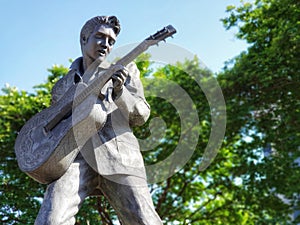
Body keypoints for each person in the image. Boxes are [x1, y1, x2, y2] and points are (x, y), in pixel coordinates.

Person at [35, 15, 163, 225]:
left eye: (111, 41)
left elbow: (141, 115)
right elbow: (54, 128)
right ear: (84, 39)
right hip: (74, 159)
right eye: (100, 37)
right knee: (50, 220)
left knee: (144, 220)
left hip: (119, 156)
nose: (106, 44)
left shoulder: (126, 70)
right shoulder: (62, 86)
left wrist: (120, 91)